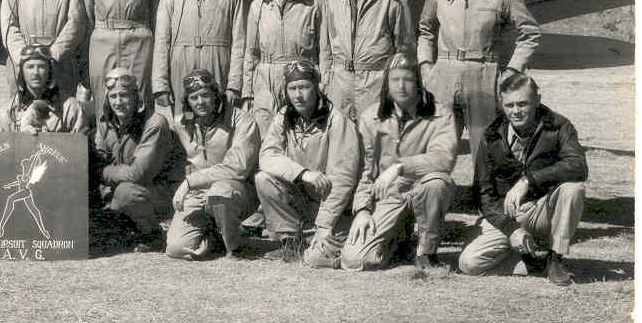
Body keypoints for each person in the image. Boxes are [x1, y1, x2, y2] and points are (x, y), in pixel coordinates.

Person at [417, 0, 540, 166]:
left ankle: (485, 202)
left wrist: (513, 71)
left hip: (483, 76)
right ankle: (435, 199)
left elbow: (530, 33)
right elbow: (424, 30)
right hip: (443, 78)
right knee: (437, 149)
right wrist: (425, 66)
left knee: (484, 153)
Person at [458, 73, 587, 286]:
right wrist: (511, 229)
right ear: (501, 104)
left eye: (523, 103)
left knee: (573, 189)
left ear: (537, 99)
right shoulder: (491, 135)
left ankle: (555, 259)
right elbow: (483, 193)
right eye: (509, 105)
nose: (516, 111)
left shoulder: (558, 125)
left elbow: (578, 165)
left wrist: (528, 180)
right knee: (469, 264)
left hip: (542, 209)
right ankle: (532, 264)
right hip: (507, 213)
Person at [341, 54, 457, 272]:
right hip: (389, 197)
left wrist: (400, 167)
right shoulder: (370, 118)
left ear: (418, 83)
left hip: (421, 192)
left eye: (408, 79)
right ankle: (400, 240)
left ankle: (426, 251)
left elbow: (445, 159)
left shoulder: (441, 115)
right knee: (354, 260)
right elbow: (364, 171)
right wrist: (362, 210)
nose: (401, 86)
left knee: (437, 182)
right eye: (395, 80)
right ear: (386, 83)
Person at [255, 60, 360, 267]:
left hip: (333, 206)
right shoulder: (284, 117)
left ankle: (332, 242)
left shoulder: (337, 121)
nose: (298, 95)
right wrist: (303, 173)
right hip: (304, 195)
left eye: (304, 87)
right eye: (292, 88)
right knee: (263, 179)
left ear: (317, 87)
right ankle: (291, 242)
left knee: (317, 259)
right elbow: (266, 156)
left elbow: (343, 179)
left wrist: (324, 225)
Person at [165, 69, 262, 260]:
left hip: (235, 190)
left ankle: (234, 247)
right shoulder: (181, 124)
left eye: (205, 95)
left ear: (216, 95)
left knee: (220, 192)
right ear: (187, 102)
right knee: (176, 249)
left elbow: (238, 167)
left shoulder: (242, 120)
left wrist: (190, 181)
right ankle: (213, 235)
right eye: (194, 98)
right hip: (198, 194)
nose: (200, 102)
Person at [152, 0, 247, 117]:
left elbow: (240, 42)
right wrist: (160, 85)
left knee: (219, 123)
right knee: (183, 124)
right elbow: (162, 42)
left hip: (218, 65)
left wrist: (234, 84)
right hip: (181, 65)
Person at [90, 67, 185, 253]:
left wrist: (102, 172)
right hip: (120, 188)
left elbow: (137, 174)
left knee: (126, 194)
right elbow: (99, 159)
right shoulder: (105, 124)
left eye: (124, 96)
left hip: (162, 192)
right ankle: (129, 228)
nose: (118, 102)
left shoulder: (155, 123)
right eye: (113, 96)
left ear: (136, 97)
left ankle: (152, 234)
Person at [322, 0, 414, 121]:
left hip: (376, 86)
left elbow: (404, 51)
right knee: (342, 145)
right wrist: (326, 81)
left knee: (374, 144)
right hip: (339, 87)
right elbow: (326, 48)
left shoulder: (393, 0)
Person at [243, 0, 330, 124]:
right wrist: (248, 92)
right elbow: (251, 53)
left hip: (302, 80)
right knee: (265, 135)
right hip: (266, 82)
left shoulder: (317, 1)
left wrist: (324, 85)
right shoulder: (258, 4)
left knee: (302, 135)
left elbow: (326, 51)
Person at [0, 43, 86, 134]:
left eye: (41, 67)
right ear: (22, 72)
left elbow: (80, 145)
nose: (35, 73)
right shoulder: (6, 113)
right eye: (30, 67)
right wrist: (20, 137)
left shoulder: (71, 108)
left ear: (50, 70)